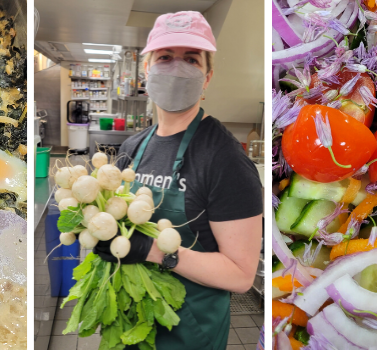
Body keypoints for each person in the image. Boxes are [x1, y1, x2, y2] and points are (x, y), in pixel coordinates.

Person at [95, 11, 264, 350]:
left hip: (189, 332)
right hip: (131, 319)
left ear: (207, 77)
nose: (176, 68)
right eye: (165, 57)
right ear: (147, 70)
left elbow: (242, 275)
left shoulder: (225, 159)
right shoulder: (133, 147)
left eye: (190, 59)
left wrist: (157, 251)